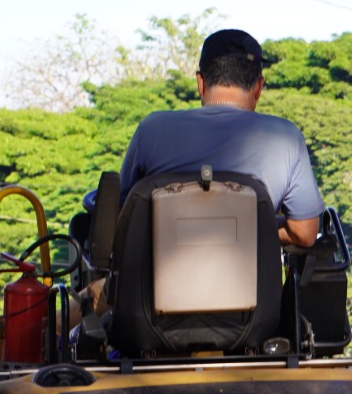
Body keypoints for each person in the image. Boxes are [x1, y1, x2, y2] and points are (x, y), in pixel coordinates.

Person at [118, 29, 323, 248]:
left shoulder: (151, 129)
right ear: (258, 87)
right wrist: (245, 223)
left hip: (155, 281)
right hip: (252, 283)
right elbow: (304, 232)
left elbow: (121, 215)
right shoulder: (286, 138)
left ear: (200, 82)